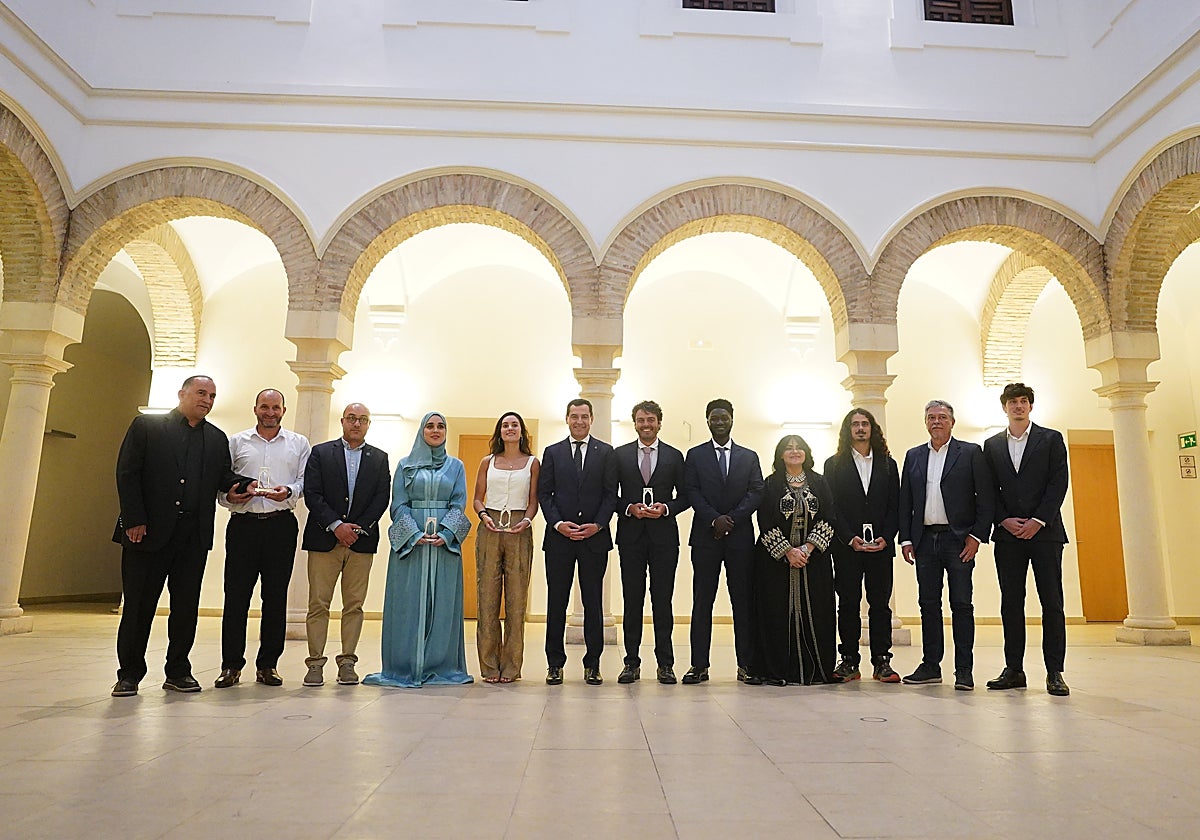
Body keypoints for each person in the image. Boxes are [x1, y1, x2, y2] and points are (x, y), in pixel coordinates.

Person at [111, 375, 247, 697]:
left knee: (186, 607)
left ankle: (178, 671)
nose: (207, 400)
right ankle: (129, 674)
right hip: (147, 533)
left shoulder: (216, 438)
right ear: (182, 394)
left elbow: (223, 477)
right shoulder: (147, 427)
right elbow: (127, 473)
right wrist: (134, 519)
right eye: (201, 393)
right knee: (139, 607)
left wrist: (243, 486)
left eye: (212, 395)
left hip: (192, 537)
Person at [365, 412, 473, 687]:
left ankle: (440, 664)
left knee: (443, 604)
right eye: (430, 426)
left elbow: (459, 503)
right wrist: (413, 534)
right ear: (422, 431)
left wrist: (447, 533)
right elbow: (398, 504)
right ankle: (404, 664)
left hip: (443, 546)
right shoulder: (405, 465)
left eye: (441, 426)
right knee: (407, 603)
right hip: (410, 545)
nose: (435, 431)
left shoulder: (456, 466)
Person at [215, 388, 311, 689]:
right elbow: (222, 484)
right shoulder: (236, 442)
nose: (270, 412)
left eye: (275, 407)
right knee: (236, 597)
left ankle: (268, 665)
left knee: (275, 598)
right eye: (264, 407)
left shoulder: (298, 443)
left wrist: (290, 492)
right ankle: (231, 666)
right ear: (255, 408)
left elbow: (304, 481)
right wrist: (231, 497)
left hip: (280, 525)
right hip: (243, 525)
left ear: (284, 410)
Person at [899, 399, 994, 690]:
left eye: (942, 417)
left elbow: (986, 498)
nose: (936, 421)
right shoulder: (914, 455)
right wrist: (905, 538)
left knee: (962, 605)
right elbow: (905, 501)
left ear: (952, 422)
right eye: (931, 417)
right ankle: (931, 665)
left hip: (959, 540)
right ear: (925, 422)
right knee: (928, 604)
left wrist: (976, 536)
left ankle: (963, 670)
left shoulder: (970, 453)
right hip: (925, 540)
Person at [983, 383, 1071, 697]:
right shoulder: (991, 445)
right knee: (1011, 603)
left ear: (1030, 406)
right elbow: (988, 489)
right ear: (1004, 407)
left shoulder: (1051, 439)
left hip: (1045, 534)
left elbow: (1058, 482)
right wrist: (1002, 519)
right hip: (1008, 536)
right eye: (1012, 402)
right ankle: (1014, 669)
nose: (1018, 406)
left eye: (1023, 401)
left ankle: (1054, 672)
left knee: (1052, 603)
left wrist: (1038, 520)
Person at [301, 402, 391, 688]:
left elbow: (381, 498)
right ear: (342, 421)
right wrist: (336, 526)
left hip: (360, 543)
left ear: (368, 425)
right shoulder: (321, 453)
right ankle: (315, 664)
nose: (356, 423)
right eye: (352, 418)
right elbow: (312, 494)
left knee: (354, 605)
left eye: (362, 419)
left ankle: (348, 662)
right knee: (318, 604)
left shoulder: (379, 458)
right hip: (324, 538)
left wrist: (357, 529)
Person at [682, 398, 765, 684]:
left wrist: (730, 520)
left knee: (742, 603)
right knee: (702, 602)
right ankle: (699, 665)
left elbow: (757, 491)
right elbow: (691, 491)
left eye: (724, 417)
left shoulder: (749, 456)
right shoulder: (694, 455)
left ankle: (746, 666)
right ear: (707, 420)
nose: (719, 421)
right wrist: (713, 519)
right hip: (705, 538)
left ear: (732, 419)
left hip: (740, 540)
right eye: (714, 417)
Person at [538, 398, 618, 686]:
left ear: (592, 419)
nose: (579, 421)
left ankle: (593, 664)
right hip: (559, 540)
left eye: (584, 416)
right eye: (574, 416)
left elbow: (611, 494)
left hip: (594, 540)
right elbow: (544, 494)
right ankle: (555, 664)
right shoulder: (553, 452)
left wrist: (597, 524)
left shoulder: (606, 453)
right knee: (556, 602)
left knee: (593, 602)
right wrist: (559, 524)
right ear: (567, 418)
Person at [749, 435, 837, 685]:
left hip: (814, 561)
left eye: (799, 447)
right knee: (775, 612)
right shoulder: (770, 484)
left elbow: (829, 516)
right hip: (775, 563)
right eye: (789, 448)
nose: (794, 451)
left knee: (818, 611)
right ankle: (779, 669)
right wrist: (788, 551)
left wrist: (808, 548)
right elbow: (764, 521)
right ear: (780, 454)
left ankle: (817, 669)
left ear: (807, 452)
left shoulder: (820, 482)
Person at [614, 400, 690, 685]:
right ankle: (631, 662)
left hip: (664, 539)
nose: (646, 425)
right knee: (632, 601)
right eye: (641, 420)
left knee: (662, 601)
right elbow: (611, 494)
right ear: (635, 423)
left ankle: (665, 664)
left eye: (651, 420)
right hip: (631, 536)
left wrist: (666, 508)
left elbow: (685, 496)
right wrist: (629, 507)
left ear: (659, 422)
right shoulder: (619, 455)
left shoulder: (674, 456)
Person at [823, 408, 902, 683]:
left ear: (872, 429)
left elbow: (896, 506)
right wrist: (848, 538)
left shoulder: (888, 465)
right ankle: (848, 660)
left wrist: (886, 536)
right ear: (848, 430)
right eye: (855, 424)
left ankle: (882, 661)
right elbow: (831, 508)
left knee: (880, 605)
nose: (860, 428)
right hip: (847, 548)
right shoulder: (833, 465)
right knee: (847, 603)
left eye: (864, 424)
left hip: (881, 547)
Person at [472, 412, 540, 683]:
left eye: (515, 425)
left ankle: (511, 667)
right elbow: (478, 498)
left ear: (521, 431)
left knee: (516, 600)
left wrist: (526, 520)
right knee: (487, 598)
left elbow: (534, 501)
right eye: (505, 425)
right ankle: (489, 666)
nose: (510, 429)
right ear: (499, 431)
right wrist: (484, 516)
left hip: (518, 527)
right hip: (489, 525)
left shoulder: (533, 463)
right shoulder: (487, 461)